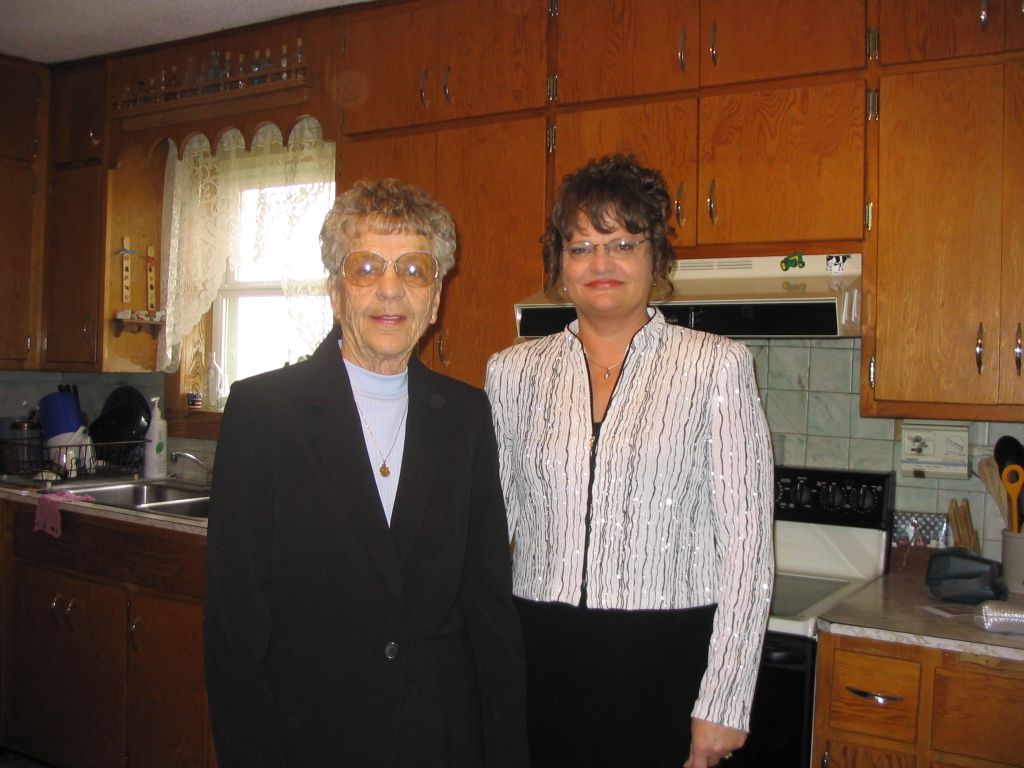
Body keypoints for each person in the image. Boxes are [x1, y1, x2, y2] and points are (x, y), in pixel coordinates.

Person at [205, 178, 528, 768]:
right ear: (335, 291)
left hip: (437, 737)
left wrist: (505, 748)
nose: (390, 290)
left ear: (435, 298)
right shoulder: (263, 413)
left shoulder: (465, 415)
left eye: (413, 270)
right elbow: (234, 624)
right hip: (310, 737)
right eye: (366, 268)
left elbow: (487, 603)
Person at [484, 155, 774, 768]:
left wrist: (724, 699)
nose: (601, 263)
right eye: (581, 245)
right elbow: (489, 535)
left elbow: (748, 552)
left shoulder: (714, 368)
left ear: (655, 257)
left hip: (666, 658)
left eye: (621, 242)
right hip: (539, 654)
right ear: (559, 265)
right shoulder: (513, 372)